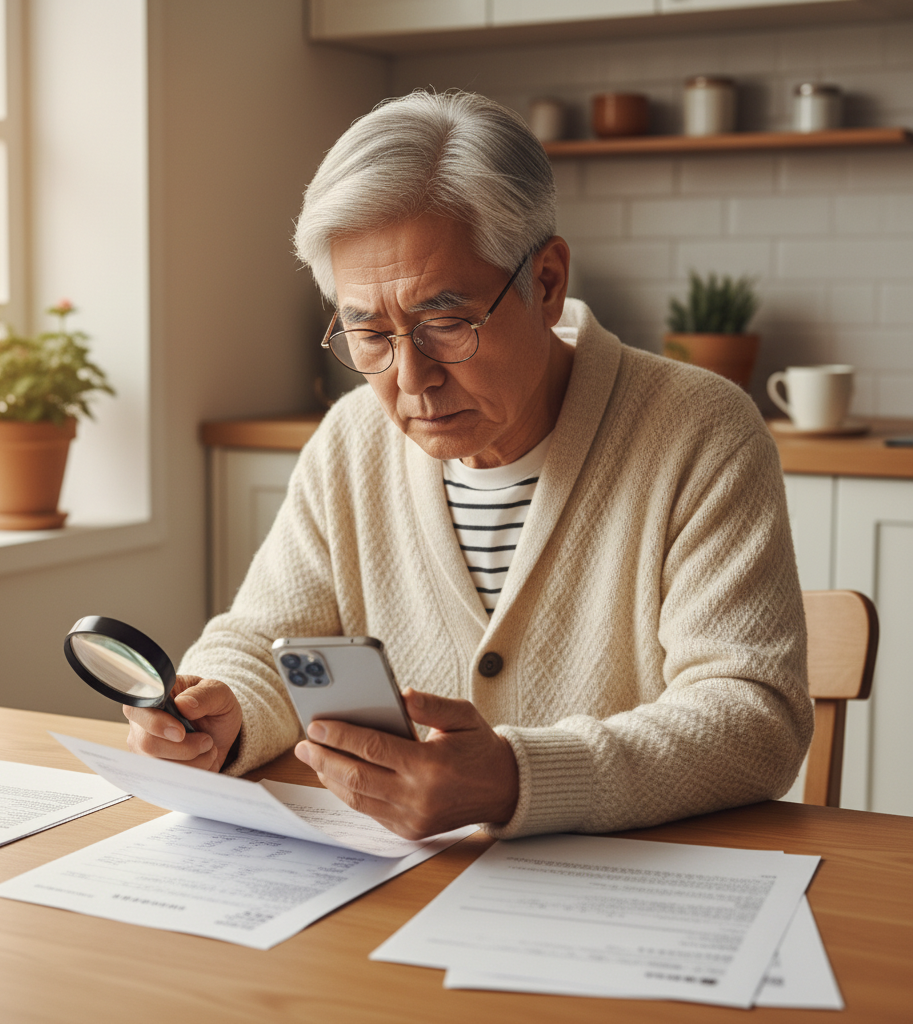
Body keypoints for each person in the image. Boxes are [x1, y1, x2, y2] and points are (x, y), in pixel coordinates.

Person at [125, 90, 812, 841]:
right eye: (370, 334)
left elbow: (754, 718)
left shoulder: (699, 432)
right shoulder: (352, 439)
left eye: (446, 324)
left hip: (632, 896)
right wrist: (220, 710)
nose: (411, 380)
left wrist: (517, 779)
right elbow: (262, 640)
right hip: (400, 899)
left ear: (546, 283)